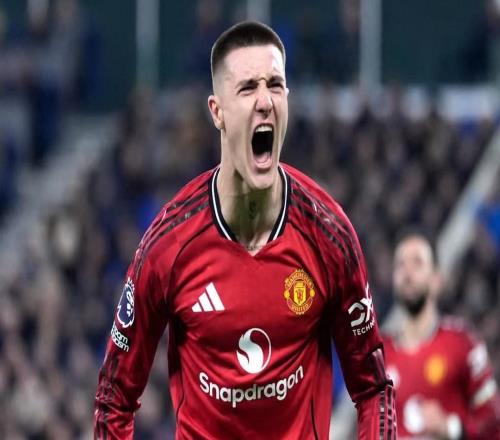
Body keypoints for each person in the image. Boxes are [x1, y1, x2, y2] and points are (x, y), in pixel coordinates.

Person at [94, 21, 396, 439]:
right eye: (248, 88)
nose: (265, 101)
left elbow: (374, 389)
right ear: (217, 111)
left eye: (276, 85)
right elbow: (114, 398)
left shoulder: (328, 235)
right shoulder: (169, 245)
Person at [383, 230, 500, 439]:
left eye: (417, 263)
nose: (407, 273)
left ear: (437, 279)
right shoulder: (380, 356)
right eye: (400, 265)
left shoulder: (462, 343)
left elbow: (493, 421)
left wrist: (451, 428)